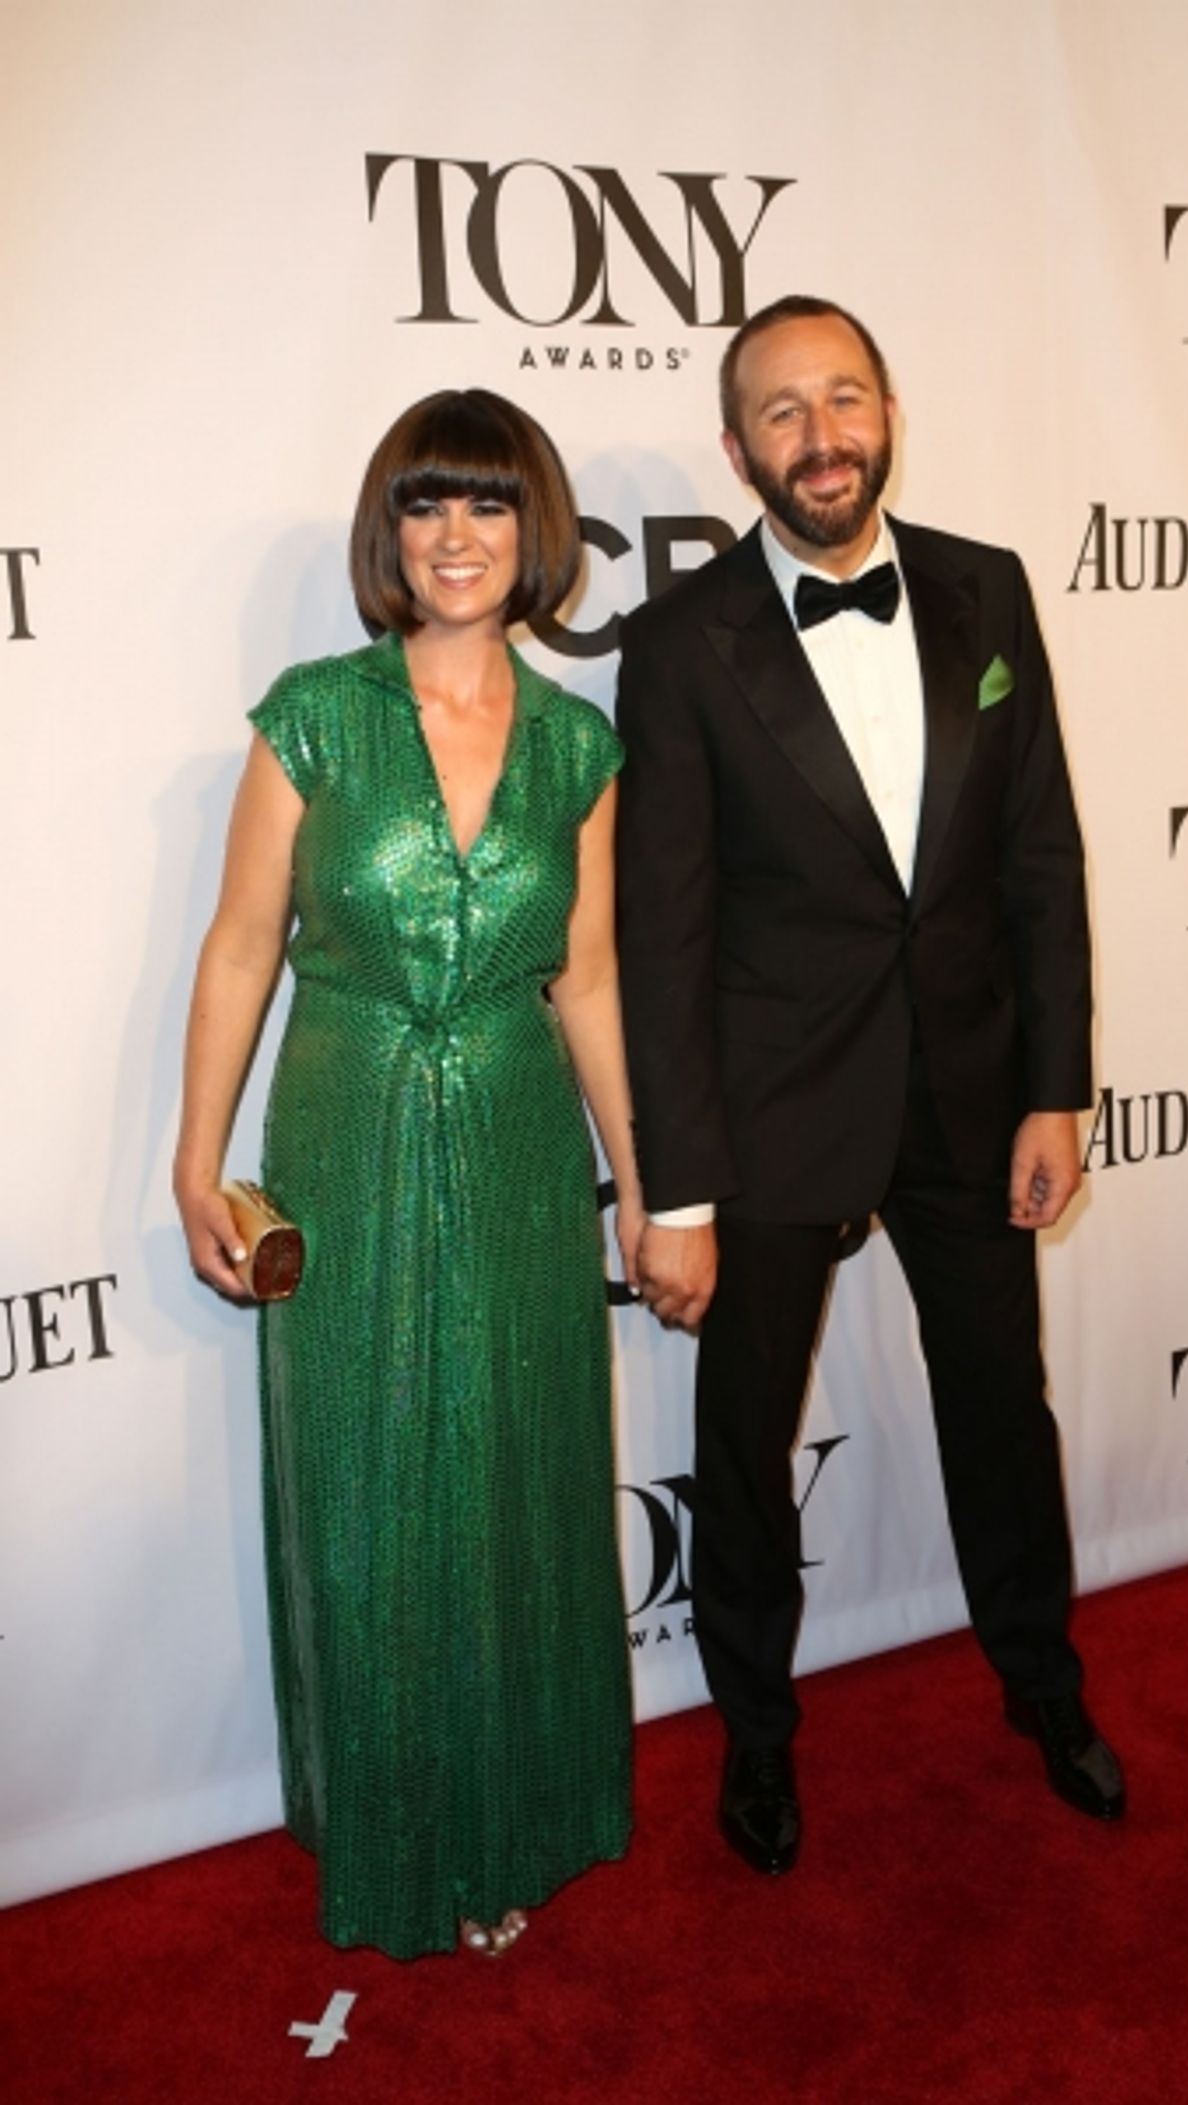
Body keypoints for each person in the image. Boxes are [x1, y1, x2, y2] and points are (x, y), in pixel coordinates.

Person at [615, 295, 1123, 1879]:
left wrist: (1056, 1087)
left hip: (973, 1091)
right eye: (782, 410)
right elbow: (663, 929)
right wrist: (678, 1186)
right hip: (774, 1108)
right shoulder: (682, 642)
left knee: (1000, 1407)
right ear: (737, 446)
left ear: (889, 407)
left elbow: (1040, 849)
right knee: (746, 1441)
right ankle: (758, 1731)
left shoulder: (988, 589)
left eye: (844, 398)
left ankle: (1043, 1682)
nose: (821, 435)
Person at [174, 388, 639, 1958]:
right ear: (393, 530)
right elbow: (244, 944)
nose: (459, 538)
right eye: (430, 506)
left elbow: (588, 978)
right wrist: (197, 1159)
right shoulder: (314, 711)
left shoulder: (580, 740)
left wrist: (642, 1183)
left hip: (515, 1127)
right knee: (371, 1482)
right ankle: (393, 1829)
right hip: (350, 1119)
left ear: (535, 532)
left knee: (512, 1466)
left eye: (490, 506)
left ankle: (509, 1821)